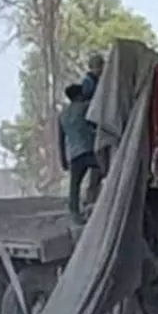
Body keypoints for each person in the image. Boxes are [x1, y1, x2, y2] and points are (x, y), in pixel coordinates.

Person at [59, 83, 99, 224]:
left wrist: (63, 160)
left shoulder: (63, 115)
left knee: (74, 186)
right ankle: (100, 199)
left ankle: (75, 214)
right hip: (89, 150)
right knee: (106, 170)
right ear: (79, 95)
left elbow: (61, 139)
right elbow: (96, 121)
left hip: (74, 154)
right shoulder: (85, 107)